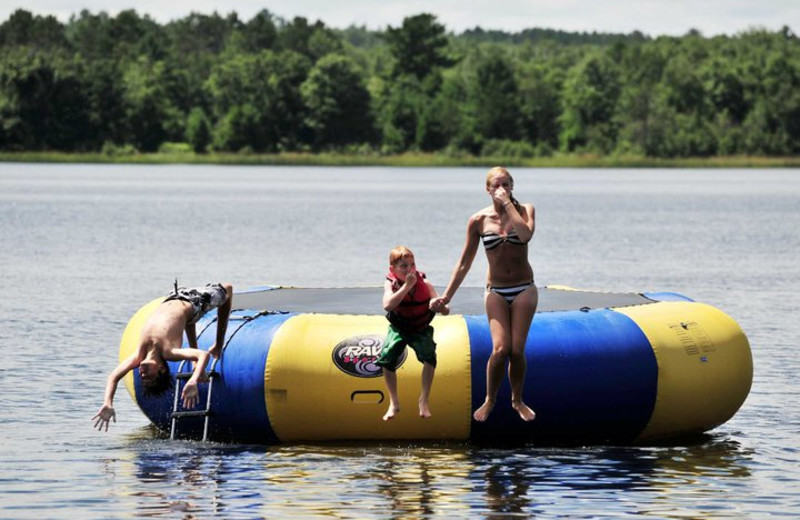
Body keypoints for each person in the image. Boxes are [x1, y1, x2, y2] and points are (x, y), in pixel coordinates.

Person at [431, 167, 538, 422]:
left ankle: (517, 399)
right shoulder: (478, 221)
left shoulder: (525, 210)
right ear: (487, 189)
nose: (501, 189)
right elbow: (465, 262)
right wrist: (447, 296)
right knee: (501, 349)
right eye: (496, 185)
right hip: (496, 291)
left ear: (512, 186)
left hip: (524, 288)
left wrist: (508, 206)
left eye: (506, 184)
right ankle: (490, 400)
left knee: (517, 350)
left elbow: (525, 236)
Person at [92, 282, 233, 431]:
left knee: (187, 320)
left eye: (142, 377)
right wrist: (193, 380)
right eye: (149, 376)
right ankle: (219, 343)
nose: (142, 373)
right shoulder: (169, 353)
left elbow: (114, 376)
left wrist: (108, 402)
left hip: (173, 295)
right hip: (194, 301)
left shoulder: (139, 355)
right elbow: (203, 355)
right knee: (227, 289)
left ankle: (195, 358)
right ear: (162, 369)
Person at [377, 246, 449, 421]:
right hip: (399, 328)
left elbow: (446, 310)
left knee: (430, 358)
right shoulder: (390, 284)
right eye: (404, 266)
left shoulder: (425, 283)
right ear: (392, 270)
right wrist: (407, 287)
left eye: (412, 265)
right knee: (386, 358)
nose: (410, 270)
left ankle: (423, 400)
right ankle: (394, 403)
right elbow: (387, 305)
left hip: (420, 328)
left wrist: (438, 305)